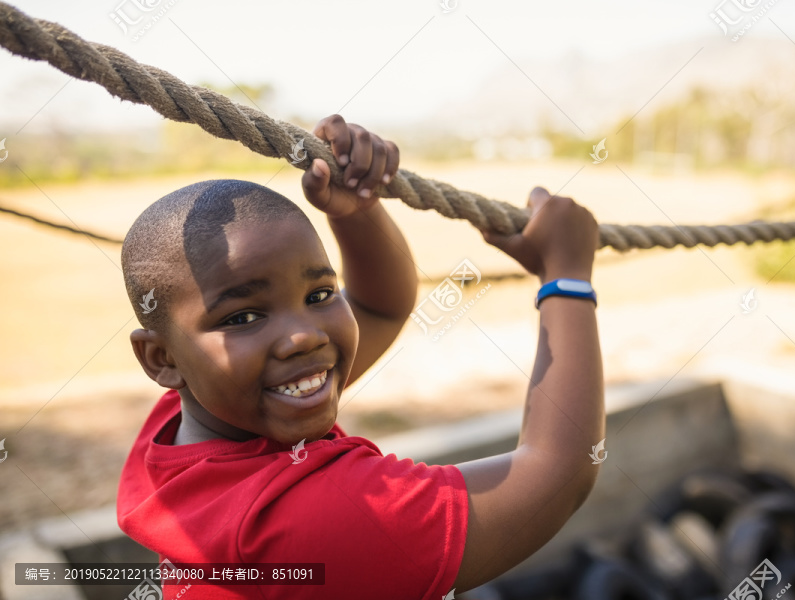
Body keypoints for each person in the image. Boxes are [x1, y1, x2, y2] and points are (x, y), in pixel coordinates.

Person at [117, 114, 604, 599]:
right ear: (162, 359)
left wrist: (355, 211)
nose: (304, 338)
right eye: (242, 318)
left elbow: (377, 306)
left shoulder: (180, 433)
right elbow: (560, 472)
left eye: (320, 293)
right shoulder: (327, 520)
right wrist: (567, 277)